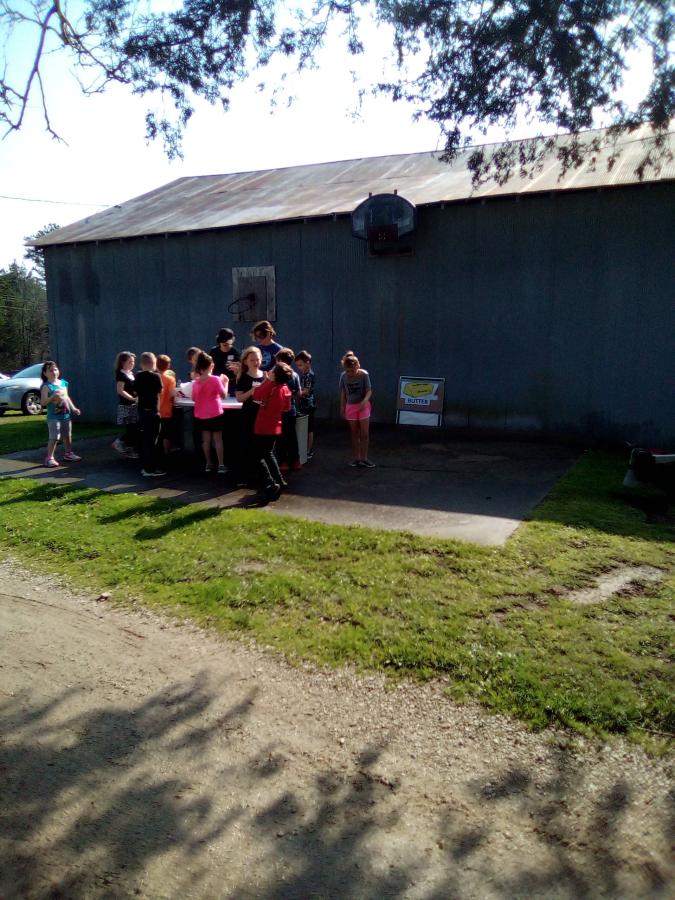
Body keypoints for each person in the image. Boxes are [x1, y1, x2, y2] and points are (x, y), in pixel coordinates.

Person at [252, 362, 293, 500]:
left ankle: (270, 482)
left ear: (275, 374)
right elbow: (287, 408)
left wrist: (266, 380)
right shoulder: (285, 388)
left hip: (264, 426)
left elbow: (256, 395)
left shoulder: (271, 385)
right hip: (276, 425)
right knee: (269, 454)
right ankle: (280, 480)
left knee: (257, 456)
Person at [40, 361, 81, 467]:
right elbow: (43, 402)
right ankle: (49, 458)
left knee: (67, 435)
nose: (54, 372)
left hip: (65, 415)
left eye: (55, 369)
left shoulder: (63, 383)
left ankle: (68, 454)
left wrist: (73, 408)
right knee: (54, 437)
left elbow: (67, 397)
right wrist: (52, 397)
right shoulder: (46, 386)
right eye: (50, 370)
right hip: (53, 417)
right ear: (45, 373)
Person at [192, 350, 228, 473]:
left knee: (206, 440)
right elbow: (223, 395)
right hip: (215, 413)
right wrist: (225, 382)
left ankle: (208, 463)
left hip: (202, 415)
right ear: (211, 365)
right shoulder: (215, 379)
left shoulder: (196, 382)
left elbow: (193, 398)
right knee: (218, 440)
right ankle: (221, 465)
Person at [235, 346, 267, 484]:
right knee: (246, 445)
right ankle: (243, 476)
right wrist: (252, 391)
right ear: (246, 361)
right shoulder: (243, 377)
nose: (255, 362)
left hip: (262, 415)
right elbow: (239, 398)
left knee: (261, 447)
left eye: (257, 359)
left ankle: (260, 475)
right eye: (252, 359)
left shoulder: (265, 375)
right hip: (248, 415)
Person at [339, 350, 375, 468]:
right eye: (347, 371)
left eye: (352, 370)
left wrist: (364, 401)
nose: (350, 373)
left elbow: (369, 390)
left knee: (364, 433)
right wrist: (342, 406)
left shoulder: (364, 375)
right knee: (354, 433)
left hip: (363, 406)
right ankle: (357, 458)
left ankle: (364, 458)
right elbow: (343, 392)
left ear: (358, 366)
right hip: (351, 407)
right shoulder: (343, 376)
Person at [135, 352, 165, 477]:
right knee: (153, 441)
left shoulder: (138, 376)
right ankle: (150, 469)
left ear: (141, 364)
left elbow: (135, 391)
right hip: (153, 411)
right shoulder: (156, 377)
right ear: (154, 363)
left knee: (146, 439)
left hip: (142, 410)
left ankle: (146, 467)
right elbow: (160, 391)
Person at [274, 347, 302, 472]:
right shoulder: (295, 375)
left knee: (280, 438)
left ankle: (283, 461)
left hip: (279, 412)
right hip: (291, 411)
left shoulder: (277, 373)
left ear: (279, 360)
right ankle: (295, 461)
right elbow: (298, 392)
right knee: (292, 437)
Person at [112, 351, 139, 458]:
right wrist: (132, 398)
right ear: (123, 362)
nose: (132, 363)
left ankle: (130, 449)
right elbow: (120, 390)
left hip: (134, 405)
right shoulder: (121, 374)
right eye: (130, 361)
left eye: (133, 362)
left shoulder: (131, 374)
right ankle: (120, 443)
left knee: (135, 429)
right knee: (132, 429)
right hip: (127, 406)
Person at [295, 350, 316, 459]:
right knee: (304, 427)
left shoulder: (309, 375)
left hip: (309, 405)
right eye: (298, 365)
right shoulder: (303, 374)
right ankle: (304, 449)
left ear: (307, 362)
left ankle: (309, 450)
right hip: (303, 404)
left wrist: (295, 393)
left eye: (300, 365)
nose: (299, 367)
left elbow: (306, 391)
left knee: (309, 428)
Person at [209, 328, 240, 395]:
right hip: (216, 383)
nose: (225, 342)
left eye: (228, 340)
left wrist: (237, 370)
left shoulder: (235, 353)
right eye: (223, 340)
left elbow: (239, 372)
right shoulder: (213, 352)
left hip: (231, 384)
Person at [156, 354, 177, 456]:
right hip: (166, 411)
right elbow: (172, 395)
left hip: (154, 410)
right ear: (168, 366)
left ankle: (156, 452)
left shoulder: (153, 376)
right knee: (166, 434)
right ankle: (166, 452)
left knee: (157, 433)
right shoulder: (170, 379)